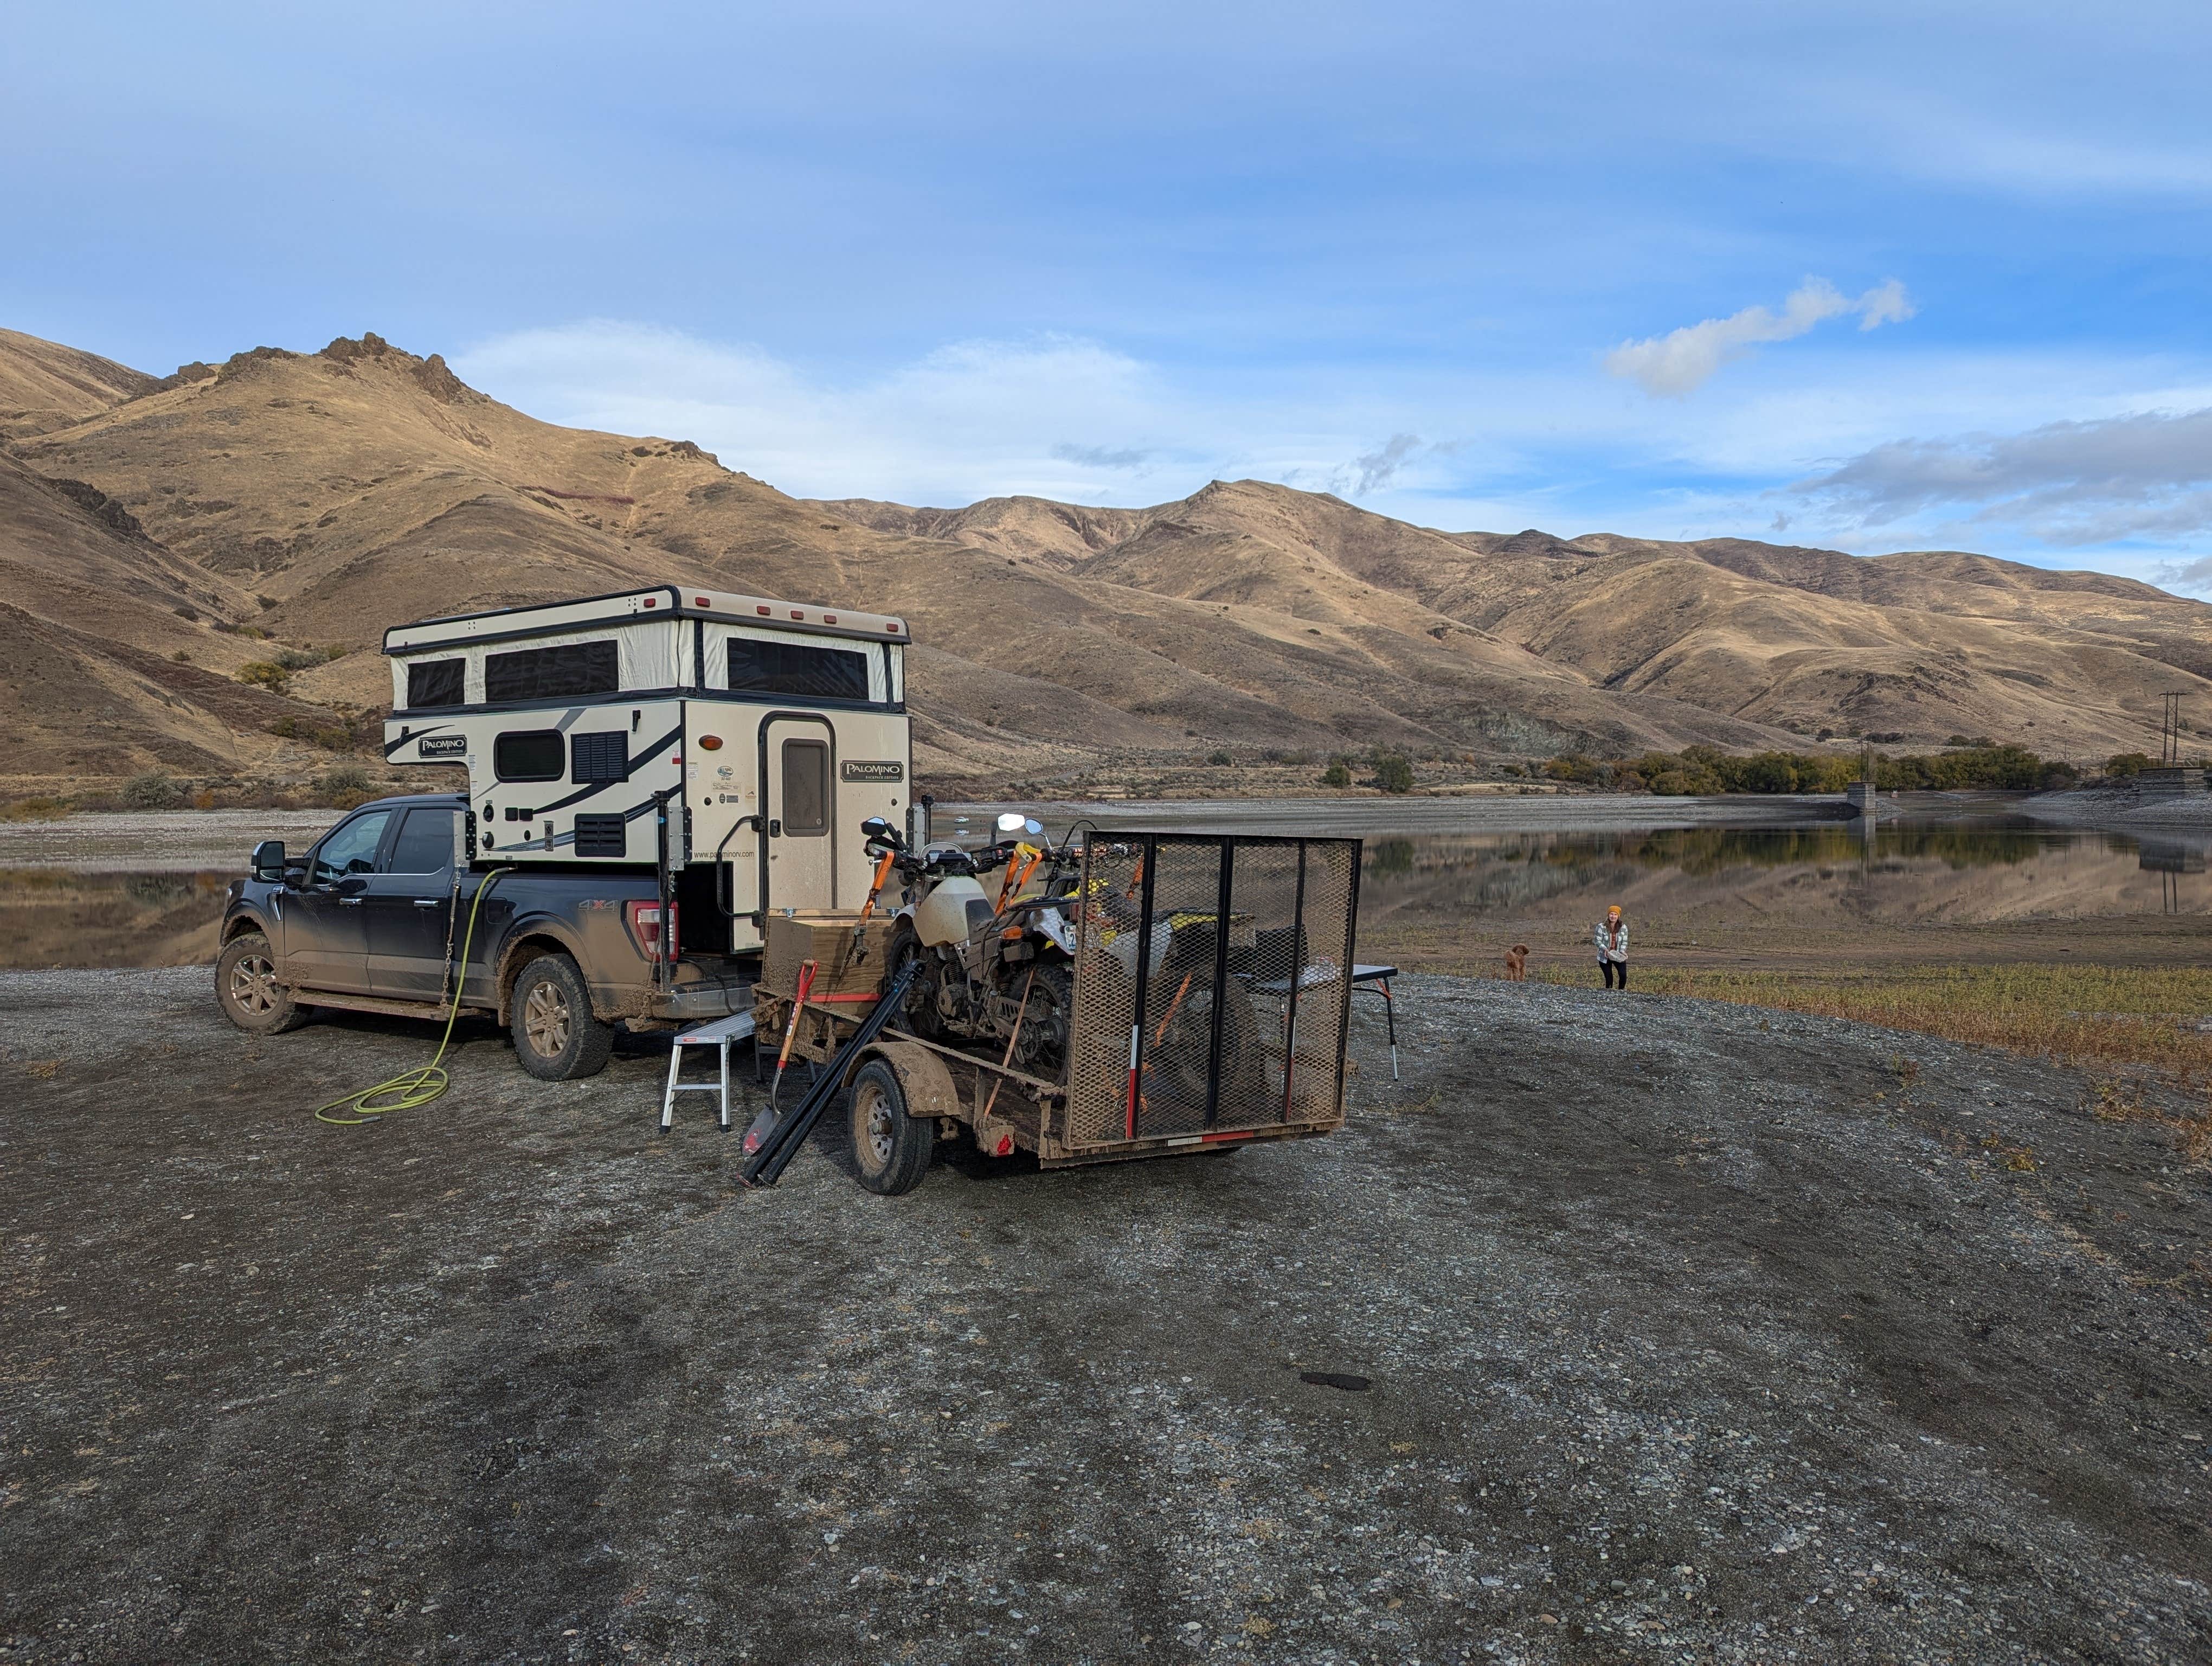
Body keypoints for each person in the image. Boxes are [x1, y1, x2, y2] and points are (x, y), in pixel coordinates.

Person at [1593, 904, 1629, 989]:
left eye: (1615, 914)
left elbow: (1624, 941)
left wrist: (1622, 951)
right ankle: (1609, 996)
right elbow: (1597, 940)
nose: (1613, 916)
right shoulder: (1601, 927)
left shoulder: (1623, 927)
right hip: (1605, 955)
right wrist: (1605, 948)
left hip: (1617, 955)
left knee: (1623, 975)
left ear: (1618, 916)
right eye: (1611, 914)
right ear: (1608, 915)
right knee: (1609, 979)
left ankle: (1621, 993)